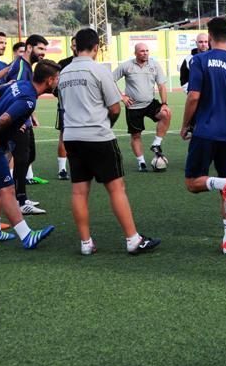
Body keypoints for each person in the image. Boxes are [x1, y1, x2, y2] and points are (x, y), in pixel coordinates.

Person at [59, 28, 160, 255]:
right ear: (97, 47)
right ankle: (133, 239)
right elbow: (115, 107)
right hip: (97, 136)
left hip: (72, 137)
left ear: (75, 46)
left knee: (78, 192)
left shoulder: (64, 72)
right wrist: (107, 122)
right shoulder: (98, 70)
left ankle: (86, 243)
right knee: (116, 188)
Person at [0, 60, 60, 248]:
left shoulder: (22, 84)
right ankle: (27, 236)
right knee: (8, 190)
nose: (58, 81)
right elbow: (6, 118)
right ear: (49, 80)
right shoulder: (29, 100)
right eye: (57, 78)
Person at [180, 17, 226, 255]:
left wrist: (185, 124)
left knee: (192, 183)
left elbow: (193, 96)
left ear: (209, 36)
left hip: (206, 132)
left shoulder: (200, 60)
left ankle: (221, 183)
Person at [3, 34, 48, 213]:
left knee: (28, 157)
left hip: (23, 118)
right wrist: (17, 119)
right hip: (18, 121)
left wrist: (32, 114)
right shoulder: (22, 67)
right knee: (20, 158)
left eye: (44, 49)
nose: (43, 53)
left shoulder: (26, 66)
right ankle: (19, 202)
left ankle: (21, 197)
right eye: (40, 49)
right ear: (30, 48)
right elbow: (14, 92)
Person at [112, 43, 172, 172]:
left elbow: (161, 85)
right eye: (142, 51)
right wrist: (122, 96)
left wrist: (164, 103)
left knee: (166, 113)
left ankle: (156, 143)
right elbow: (110, 80)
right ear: (135, 53)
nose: (145, 53)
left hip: (150, 103)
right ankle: (141, 162)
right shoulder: (126, 66)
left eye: (147, 50)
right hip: (133, 107)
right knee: (136, 136)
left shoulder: (154, 65)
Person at [55, 37, 78, 181]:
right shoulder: (62, 64)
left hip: (85, 107)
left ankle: (81, 166)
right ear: (71, 47)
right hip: (66, 107)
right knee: (64, 136)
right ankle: (62, 169)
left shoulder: (90, 64)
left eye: (78, 45)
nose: (76, 48)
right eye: (74, 45)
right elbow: (54, 86)